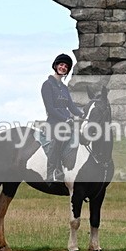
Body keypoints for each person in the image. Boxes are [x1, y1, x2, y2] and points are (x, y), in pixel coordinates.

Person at [41, 54, 84, 182]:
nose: (63, 67)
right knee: (60, 138)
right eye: (61, 64)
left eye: (66, 66)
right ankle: (52, 172)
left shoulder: (65, 88)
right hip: (54, 123)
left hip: (67, 123)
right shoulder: (47, 85)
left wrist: (83, 114)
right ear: (55, 65)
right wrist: (65, 119)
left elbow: (71, 107)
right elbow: (50, 109)